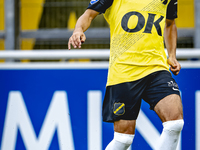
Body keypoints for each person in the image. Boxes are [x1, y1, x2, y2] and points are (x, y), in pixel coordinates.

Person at [68, 0, 184, 149]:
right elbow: (88, 14)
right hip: (124, 73)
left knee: (175, 123)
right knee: (124, 139)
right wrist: (78, 30)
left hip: (156, 68)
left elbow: (170, 24)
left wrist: (172, 55)